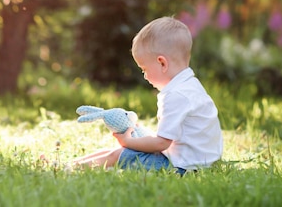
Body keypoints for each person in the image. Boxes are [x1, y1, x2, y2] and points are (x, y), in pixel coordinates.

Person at [71, 16, 223, 175]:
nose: (144, 76)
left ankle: (71, 169)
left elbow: (161, 143)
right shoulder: (191, 86)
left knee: (120, 154)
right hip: (198, 161)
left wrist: (129, 141)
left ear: (162, 63)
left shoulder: (176, 95)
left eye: (144, 69)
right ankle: (73, 163)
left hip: (183, 167)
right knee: (119, 151)